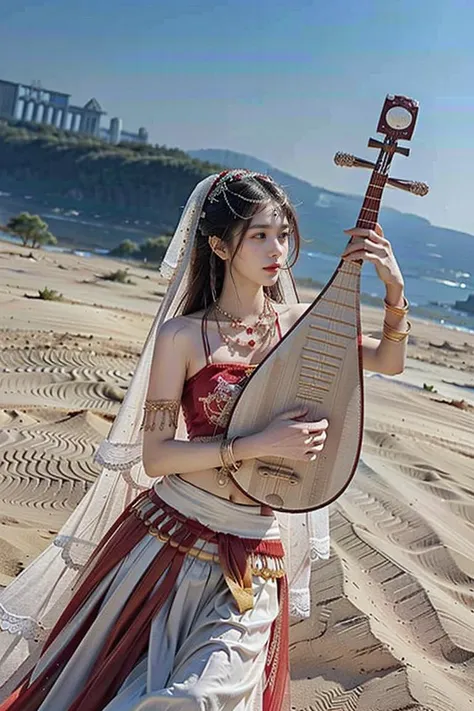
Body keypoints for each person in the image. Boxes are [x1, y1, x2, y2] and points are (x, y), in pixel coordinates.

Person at [0, 169, 410, 710]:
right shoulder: (182, 337)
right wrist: (256, 445)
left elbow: (387, 360)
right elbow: (155, 457)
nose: (277, 250)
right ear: (219, 245)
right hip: (166, 540)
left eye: (283, 234)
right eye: (259, 235)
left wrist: (395, 291)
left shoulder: (301, 324)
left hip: (254, 554)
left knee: (202, 696)